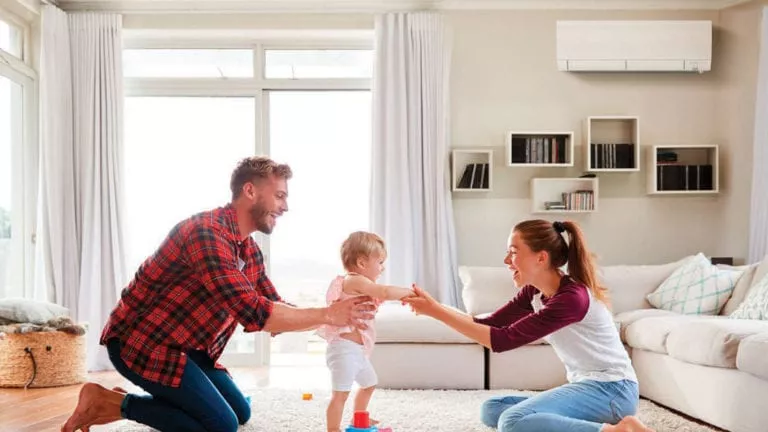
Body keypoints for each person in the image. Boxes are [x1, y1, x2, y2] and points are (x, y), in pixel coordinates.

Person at [61, 156, 376, 432]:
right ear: (250, 190)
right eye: (279, 195)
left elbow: (273, 306)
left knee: (240, 413)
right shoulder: (206, 233)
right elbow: (254, 312)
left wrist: (335, 319)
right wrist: (328, 315)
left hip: (189, 347)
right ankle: (113, 404)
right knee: (221, 425)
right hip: (143, 343)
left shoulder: (248, 249)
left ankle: (156, 400)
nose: (285, 206)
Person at [404, 219, 655, 432]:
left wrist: (435, 311)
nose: (506, 260)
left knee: (512, 421)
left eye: (513, 252)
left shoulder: (571, 298)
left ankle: (615, 430)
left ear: (541, 258)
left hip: (613, 390)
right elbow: (488, 323)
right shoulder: (534, 292)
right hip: (586, 386)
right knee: (492, 409)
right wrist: (434, 306)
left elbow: (500, 340)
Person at [316, 231, 414, 432]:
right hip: (343, 350)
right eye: (380, 262)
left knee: (369, 384)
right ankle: (332, 429)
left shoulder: (361, 285)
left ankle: (359, 419)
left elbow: (381, 295)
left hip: (357, 351)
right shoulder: (353, 281)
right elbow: (385, 291)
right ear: (361, 263)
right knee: (340, 394)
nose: (382, 268)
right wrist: (409, 293)